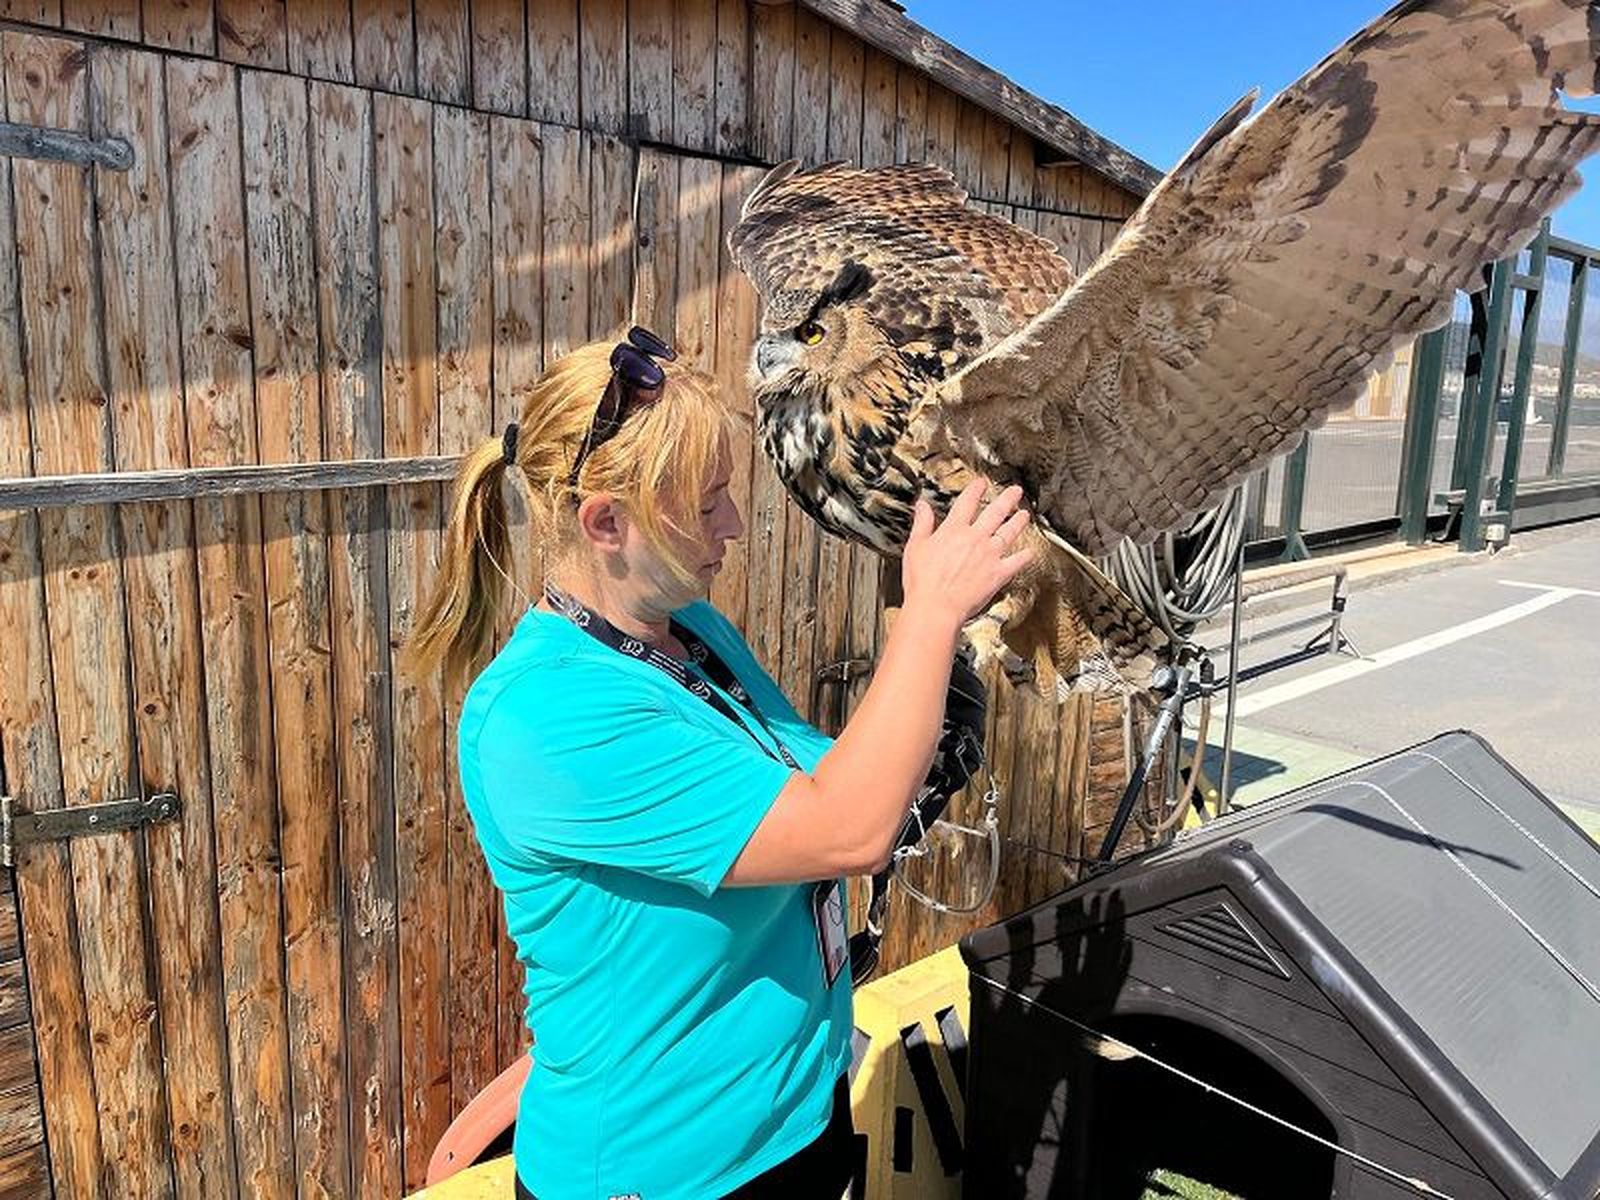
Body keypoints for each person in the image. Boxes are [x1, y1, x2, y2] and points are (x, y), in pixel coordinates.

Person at [406, 328, 1033, 1200]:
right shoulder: (541, 718)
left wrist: (914, 759)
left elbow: (812, 783)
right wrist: (930, 615)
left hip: (795, 1114)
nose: (734, 524)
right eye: (707, 507)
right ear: (606, 523)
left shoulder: (689, 633)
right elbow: (847, 827)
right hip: (671, 1171)